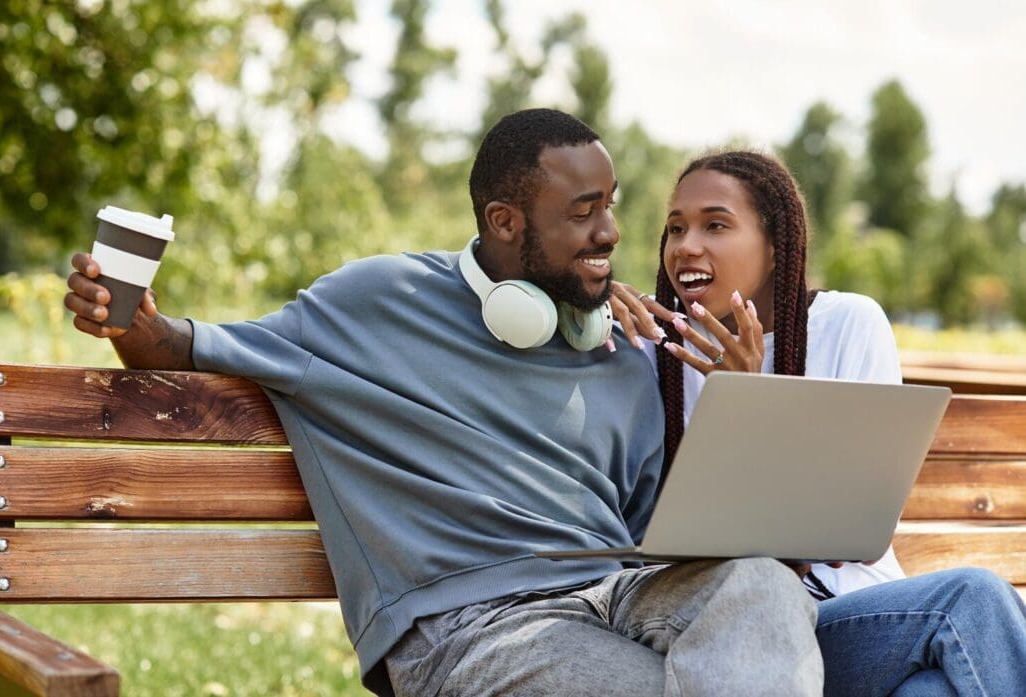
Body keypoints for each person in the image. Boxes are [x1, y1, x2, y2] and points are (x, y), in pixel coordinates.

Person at [65, 110, 825, 696]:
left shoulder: (617, 346)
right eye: (585, 211)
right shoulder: (375, 302)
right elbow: (180, 349)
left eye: (614, 206)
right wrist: (127, 317)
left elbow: (664, 541)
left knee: (760, 581)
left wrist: (744, 410)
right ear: (504, 222)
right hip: (469, 628)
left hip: (614, 592)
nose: (613, 232)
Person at [610, 150, 1026, 696]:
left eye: (715, 224)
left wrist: (754, 396)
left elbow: (853, 534)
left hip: (855, 609)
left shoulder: (847, 323)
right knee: (971, 597)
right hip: (750, 632)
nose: (686, 245)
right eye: (675, 228)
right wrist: (592, 305)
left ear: (776, 245)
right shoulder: (652, 353)